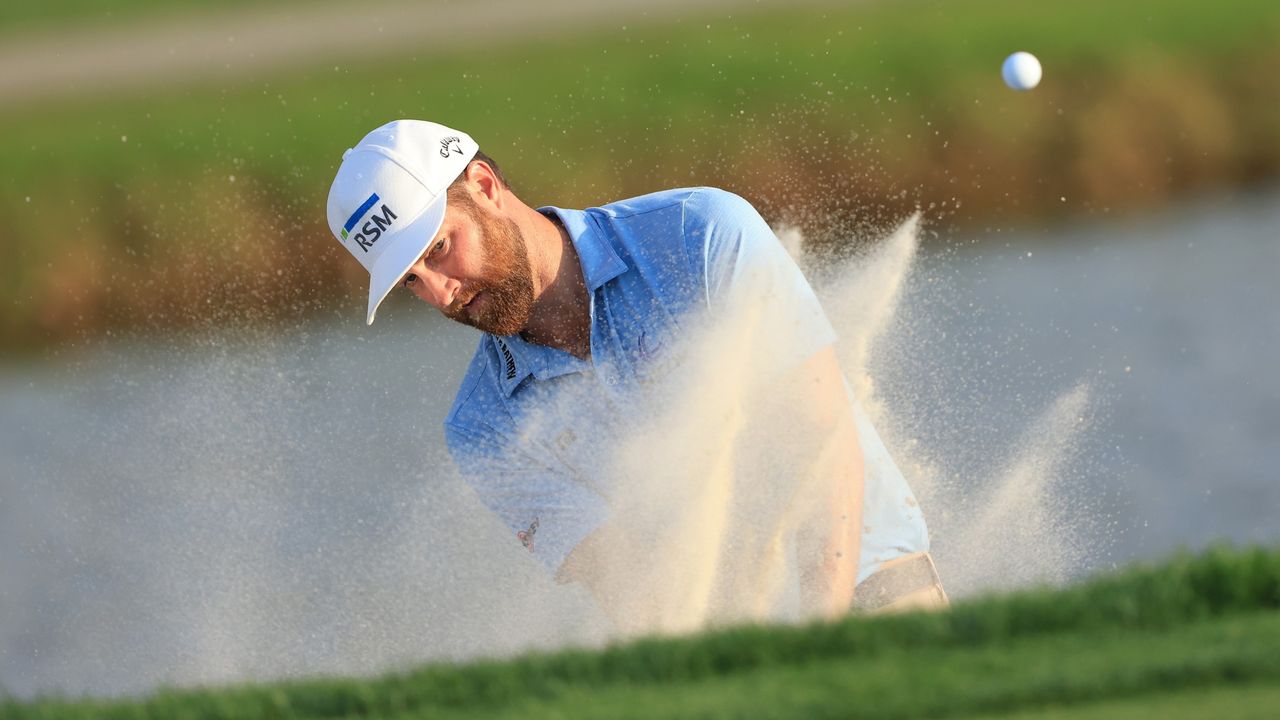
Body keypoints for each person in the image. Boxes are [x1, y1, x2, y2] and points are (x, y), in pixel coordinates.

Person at [326, 119, 946, 626]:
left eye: (438, 249)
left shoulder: (695, 233)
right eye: (413, 281)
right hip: (736, 655)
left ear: (484, 185)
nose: (441, 293)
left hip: (874, 589)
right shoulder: (483, 429)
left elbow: (820, 442)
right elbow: (634, 591)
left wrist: (815, 639)